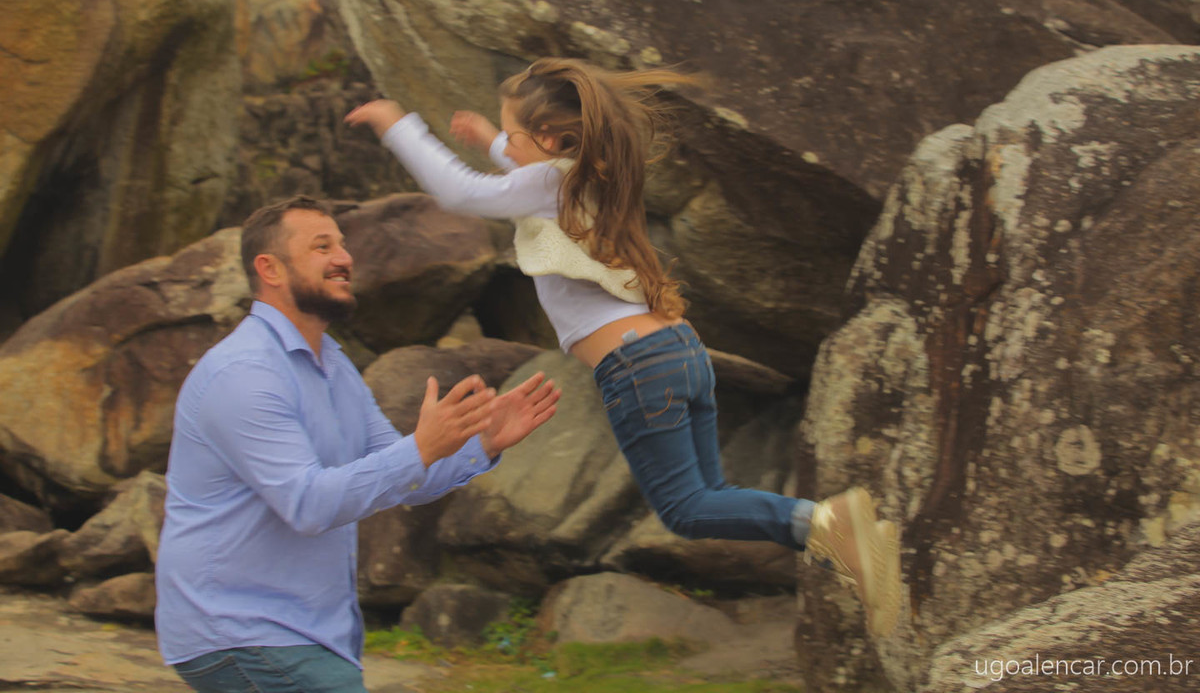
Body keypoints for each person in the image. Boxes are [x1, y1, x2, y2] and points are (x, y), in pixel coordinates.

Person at [344, 57, 901, 637]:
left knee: (685, 509)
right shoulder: (593, 180)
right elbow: (530, 178)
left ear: (551, 140)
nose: (507, 143)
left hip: (637, 368)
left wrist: (396, 124)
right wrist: (494, 141)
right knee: (708, 498)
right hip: (678, 351)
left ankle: (828, 524)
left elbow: (462, 193)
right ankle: (846, 542)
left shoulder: (550, 183)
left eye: (512, 134)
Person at [155, 195, 560, 692]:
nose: (344, 258)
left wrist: (482, 443)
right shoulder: (244, 374)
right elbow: (307, 504)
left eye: (342, 245)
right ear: (270, 269)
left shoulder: (334, 364)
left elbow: (404, 476)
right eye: (322, 247)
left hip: (301, 634)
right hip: (240, 631)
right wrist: (420, 447)